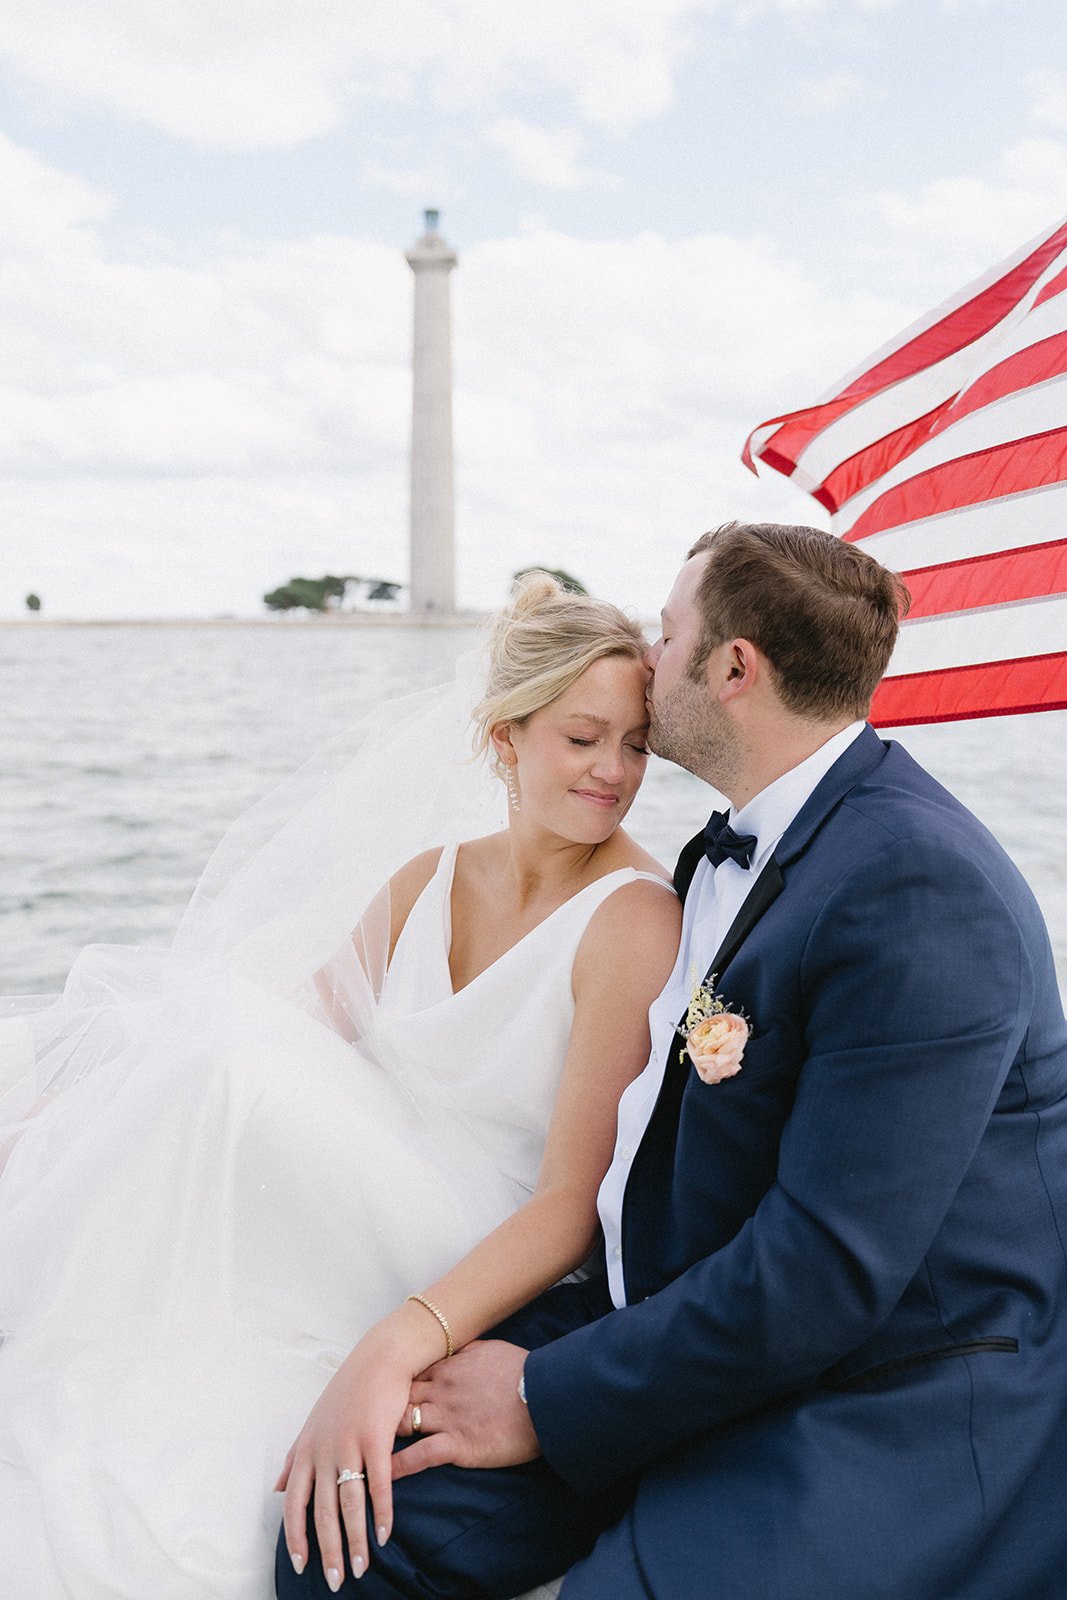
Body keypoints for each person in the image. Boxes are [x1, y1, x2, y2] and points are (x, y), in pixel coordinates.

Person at [280, 522, 1067, 1600]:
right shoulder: (727, 854)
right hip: (667, 1321)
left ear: (732, 668)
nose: (648, 665)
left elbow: (824, 1271)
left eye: (666, 634)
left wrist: (546, 1394)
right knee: (347, 1544)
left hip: (875, 1388)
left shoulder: (917, 886)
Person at [0, 573, 681, 1600]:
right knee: (193, 1051)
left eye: (634, 744)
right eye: (580, 737)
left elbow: (569, 1207)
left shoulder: (630, 916)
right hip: (356, 1194)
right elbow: (307, 1031)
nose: (613, 771)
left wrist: (402, 1333)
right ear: (504, 735)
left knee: (225, 1055)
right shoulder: (427, 876)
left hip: (473, 1229)